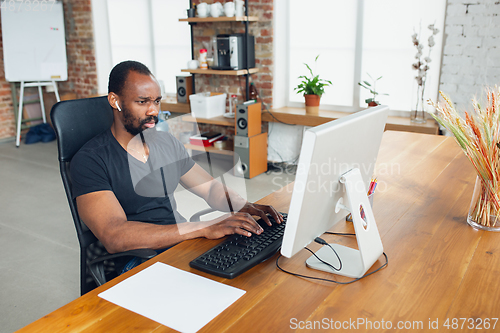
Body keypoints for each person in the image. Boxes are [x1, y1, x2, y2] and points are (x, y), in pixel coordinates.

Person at [71, 60, 283, 270]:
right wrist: (205, 227)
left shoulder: (166, 143)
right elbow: (114, 235)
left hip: (181, 242)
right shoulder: (91, 160)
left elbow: (209, 188)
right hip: (139, 259)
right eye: (142, 102)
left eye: (156, 101)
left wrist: (243, 206)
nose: (153, 111)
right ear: (115, 101)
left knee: (256, 268)